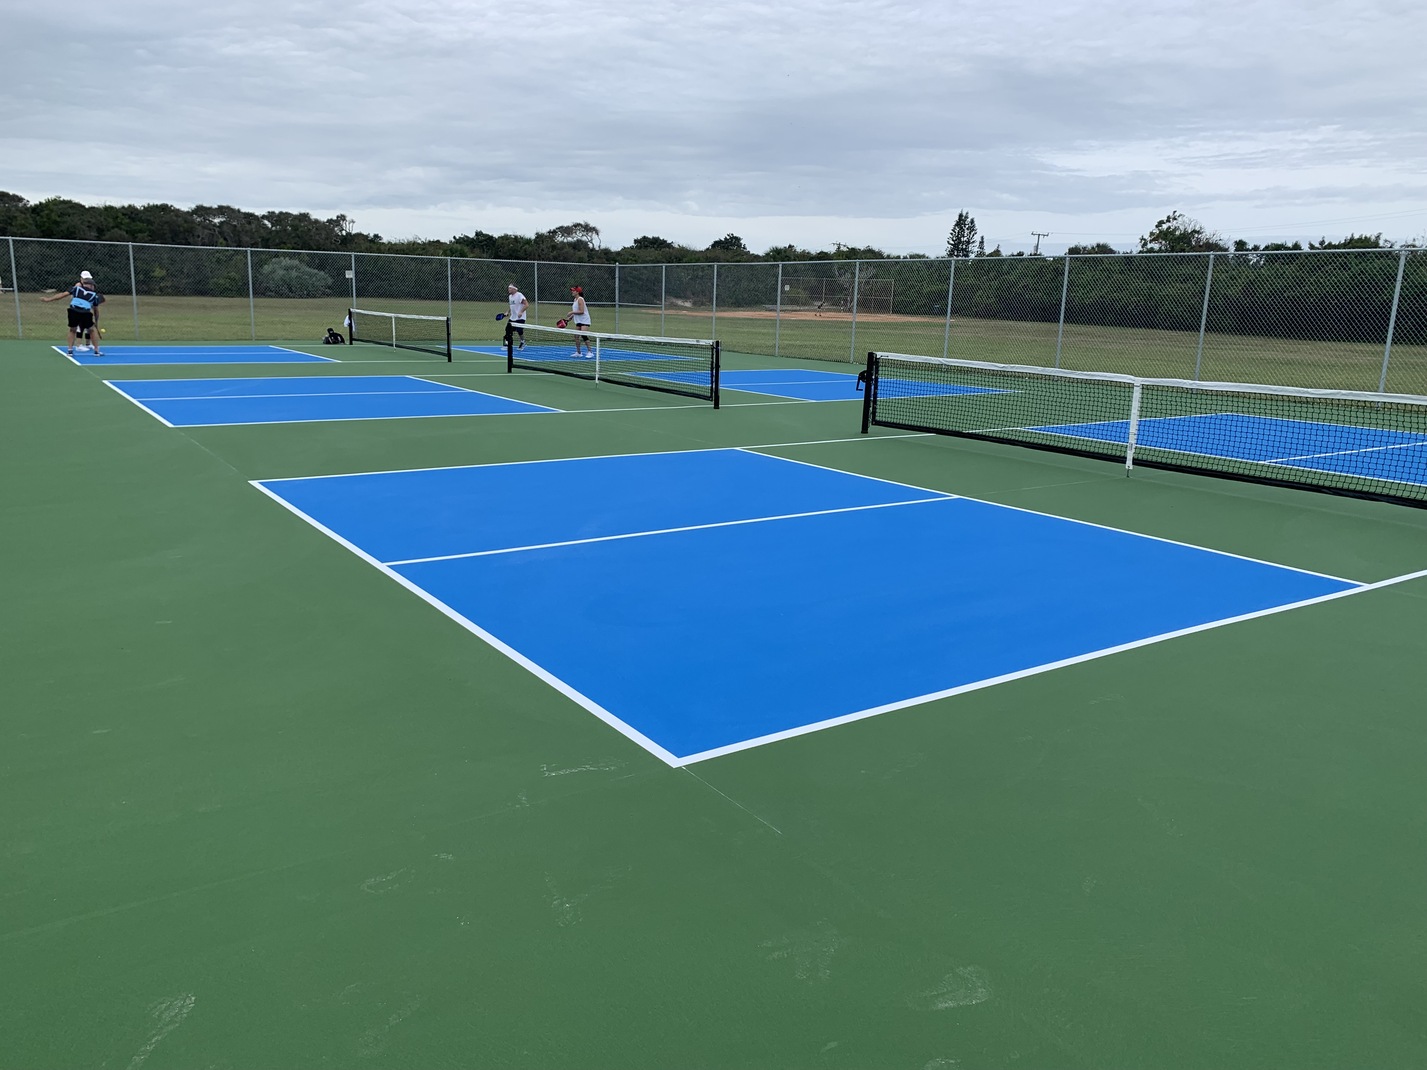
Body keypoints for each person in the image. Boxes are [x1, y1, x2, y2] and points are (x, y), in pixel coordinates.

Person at [41, 270, 106, 357]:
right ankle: (96, 351)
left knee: (72, 330)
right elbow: (96, 310)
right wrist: (96, 321)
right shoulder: (94, 295)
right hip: (85, 312)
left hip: (73, 310)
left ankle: (70, 351)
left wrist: (48, 299)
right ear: (90, 285)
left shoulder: (75, 289)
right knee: (92, 330)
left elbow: (62, 295)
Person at [569, 285, 593, 357]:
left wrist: (572, 312)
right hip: (578, 320)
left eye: (573, 291)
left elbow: (582, 311)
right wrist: (571, 316)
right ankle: (578, 353)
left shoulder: (580, 299)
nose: (572, 292)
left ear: (577, 292)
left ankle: (590, 352)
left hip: (585, 320)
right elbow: (577, 310)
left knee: (583, 335)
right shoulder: (575, 300)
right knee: (576, 336)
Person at [505, 283, 528, 350]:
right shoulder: (510, 297)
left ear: (515, 289)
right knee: (508, 329)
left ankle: (522, 342)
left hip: (520, 317)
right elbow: (511, 306)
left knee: (519, 330)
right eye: (508, 288)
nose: (508, 289)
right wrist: (507, 312)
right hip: (513, 317)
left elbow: (526, 305)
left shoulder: (519, 295)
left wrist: (521, 312)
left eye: (510, 288)